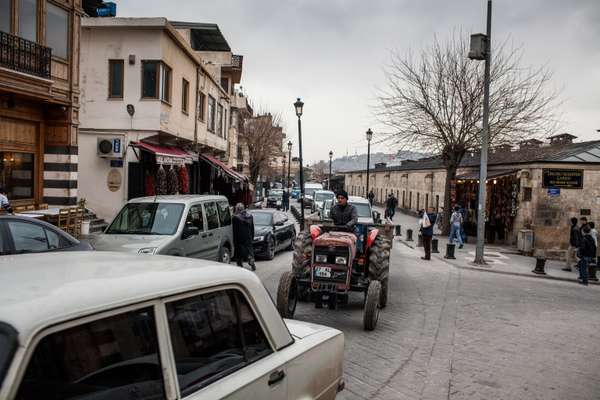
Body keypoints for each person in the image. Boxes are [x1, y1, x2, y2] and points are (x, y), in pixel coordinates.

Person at [232, 203, 256, 271]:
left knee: (239, 253)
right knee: (249, 251)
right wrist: (252, 236)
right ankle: (251, 261)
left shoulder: (235, 218)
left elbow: (234, 230)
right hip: (248, 237)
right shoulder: (250, 216)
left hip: (239, 238)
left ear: (237, 209)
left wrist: (234, 240)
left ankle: (240, 265)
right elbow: (252, 228)